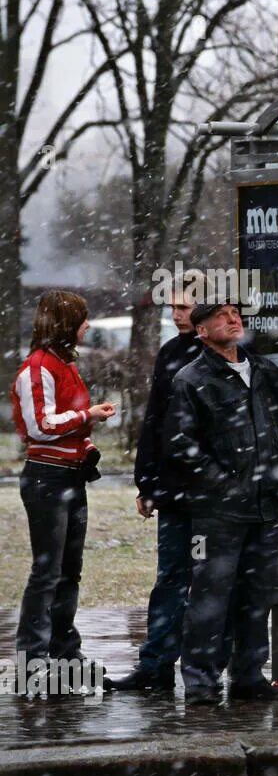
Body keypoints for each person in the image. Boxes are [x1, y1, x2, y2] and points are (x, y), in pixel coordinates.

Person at [166, 296, 278, 705]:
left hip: (266, 508)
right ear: (202, 331)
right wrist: (225, 485)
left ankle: (248, 677)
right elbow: (183, 446)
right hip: (219, 514)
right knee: (210, 599)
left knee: (256, 597)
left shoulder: (264, 371)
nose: (232, 319)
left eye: (235, 314)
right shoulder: (191, 380)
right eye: (220, 316)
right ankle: (201, 684)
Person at [9, 291, 116, 693]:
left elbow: (57, 428)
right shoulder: (37, 368)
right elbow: (39, 427)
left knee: (68, 571)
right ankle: (33, 660)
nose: (88, 325)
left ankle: (63, 654)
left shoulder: (63, 364)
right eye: (83, 319)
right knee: (47, 572)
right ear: (67, 322)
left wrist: (86, 444)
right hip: (48, 479)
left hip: (68, 476)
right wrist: (86, 416)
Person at [112, 290, 204, 692]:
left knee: (211, 579)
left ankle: (205, 667)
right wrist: (146, 482)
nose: (176, 314)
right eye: (173, 307)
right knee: (171, 576)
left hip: (208, 492)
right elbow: (154, 420)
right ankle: (157, 665)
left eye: (183, 307)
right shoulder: (171, 353)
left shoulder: (225, 355)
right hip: (176, 488)